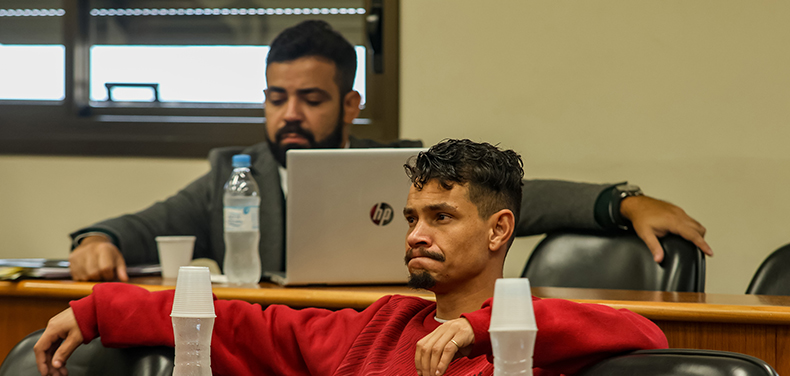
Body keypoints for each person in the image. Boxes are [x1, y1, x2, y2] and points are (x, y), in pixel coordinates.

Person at [38, 139, 668, 376]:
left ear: (499, 230)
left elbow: (643, 333)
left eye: (441, 218)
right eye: (412, 218)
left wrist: (477, 330)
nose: (416, 235)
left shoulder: (535, 339)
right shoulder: (380, 327)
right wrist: (100, 309)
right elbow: (242, 328)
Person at [68, 20, 712, 283]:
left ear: (350, 105)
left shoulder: (406, 169)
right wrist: (98, 238)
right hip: (284, 343)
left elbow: (516, 199)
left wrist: (622, 202)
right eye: (276, 98)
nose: (290, 115)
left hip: (395, 338)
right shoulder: (234, 174)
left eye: (310, 99)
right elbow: (145, 226)